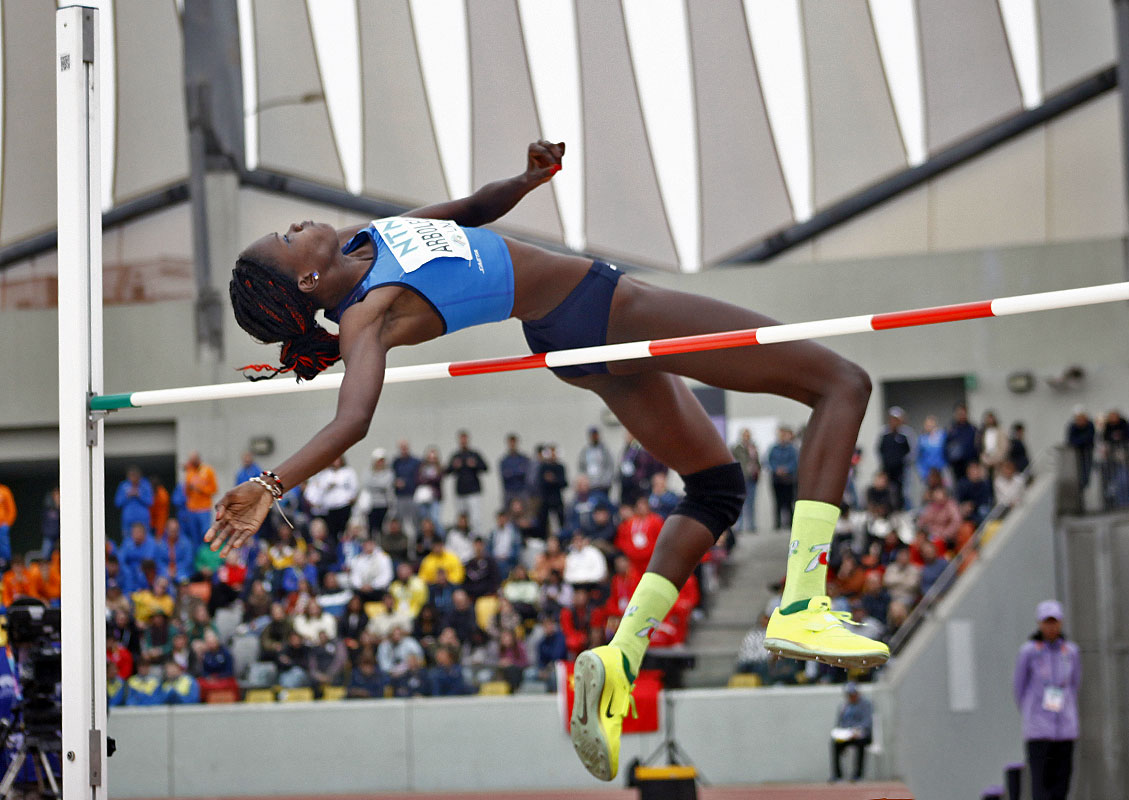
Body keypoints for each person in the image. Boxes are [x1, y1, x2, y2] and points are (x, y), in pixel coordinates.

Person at [206, 139, 885, 782]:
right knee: (842, 382)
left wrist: (527, 182)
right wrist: (272, 484)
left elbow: (471, 212)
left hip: (569, 335)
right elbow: (353, 420)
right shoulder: (366, 315)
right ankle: (803, 601)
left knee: (715, 489)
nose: (297, 224)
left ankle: (621, 659)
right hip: (604, 306)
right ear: (308, 276)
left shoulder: (371, 238)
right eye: (290, 238)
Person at [1014, 600, 1080, 800]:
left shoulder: (1070, 652)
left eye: (1054, 622)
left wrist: (1066, 709)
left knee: (1061, 785)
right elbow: (1019, 686)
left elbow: (1075, 683)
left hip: (1064, 728)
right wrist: (1031, 711)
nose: (1051, 627)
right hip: (1039, 729)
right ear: (1039, 624)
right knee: (1041, 787)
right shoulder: (1030, 652)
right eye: (1047, 622)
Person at [830, 682, 873, 782]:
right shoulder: (844, 706)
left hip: (861, 735)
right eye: (849, 695)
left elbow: (867, 721)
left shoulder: (866, 704)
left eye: (853, 694)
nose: (851, 697)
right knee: (835, 744)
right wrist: (842, 733)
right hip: (847, 735)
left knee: (860, 744)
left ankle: (858, 774)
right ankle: (837, 775)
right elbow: (840, 722)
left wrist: (856, 731)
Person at [446, 430, 488, 528]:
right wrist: (454, 466)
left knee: (475, 517)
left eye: (465, 439)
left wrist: (475, 464)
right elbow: (447, 471)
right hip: (460, 492)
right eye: (461, 440)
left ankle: (477, 539)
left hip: (474, 491)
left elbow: (485, 468)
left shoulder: (474, 454)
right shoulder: (456, 455)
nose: (463, 442)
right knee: (462, 517)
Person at [180, 451, 218, 547]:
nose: (191, 463)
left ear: (198, 460)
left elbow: (214, 489)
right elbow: (186, 492)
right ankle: (198, 559)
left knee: (205, 533)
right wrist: (189, 488)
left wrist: (201, 489)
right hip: (192, 509)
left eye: (193, 460)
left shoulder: (208, 470)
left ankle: (207, 555)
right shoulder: (190, 472)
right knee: (194, 536)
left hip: (204, 508)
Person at [766, 426, 799, 529]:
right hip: (776, 479)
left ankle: (790, 523)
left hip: (788, 480)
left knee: (789, 502)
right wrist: (776, 469)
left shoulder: (792, 449)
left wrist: (786, 469)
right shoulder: (773, 448)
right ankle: (778, 523)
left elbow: (795, 462)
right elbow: (769, 461)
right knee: (777, 502)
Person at [730, 429, 760, 533]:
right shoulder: (737, 448)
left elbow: (757, 462)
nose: (747, 438)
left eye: (748, 436)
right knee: (740, 503)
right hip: (741, 478)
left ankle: (751, 525)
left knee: (751, 503)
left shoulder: (753, 448)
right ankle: (739, 525)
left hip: (752, 478)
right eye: (745, 436)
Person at [391, 439, 422, 537]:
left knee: (415, 520)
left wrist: (408, 483)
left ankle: (416, 539)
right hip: (400, 496)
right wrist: (396, 482)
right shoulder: (396, 462)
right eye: (402, 448)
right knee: (400, 520)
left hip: (412, 495)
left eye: (405, 447)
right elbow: (392, 476)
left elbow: (419, 477)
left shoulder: (415, 461)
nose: (404, 450)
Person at [536, 444, 568, 537]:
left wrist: (553, 480)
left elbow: (564, 483)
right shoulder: (543, 467)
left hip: (557, 498)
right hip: (546, 498)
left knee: (561, 520)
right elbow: (540, 483)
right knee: (543, 521)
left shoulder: (560, 467)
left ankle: (562, 538)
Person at [362, 448, 394, 537]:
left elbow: (386, 484)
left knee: (382, 528)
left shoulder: (389, 473)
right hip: (371, 505)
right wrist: (380, 486)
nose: (380, 463)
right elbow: (367, 483)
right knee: (371, 528)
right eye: (378, 461)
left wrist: (376, 484)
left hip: (383, 504)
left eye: (382, 461)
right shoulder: (368, 472)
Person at [115, 465, 154, 537]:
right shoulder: (123, 485)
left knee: (145, 539)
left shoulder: (145, 485)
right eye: (131, 476)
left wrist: (139, 495)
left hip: (143, 520)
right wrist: (127, 496)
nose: (133, 478)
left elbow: (150, 502)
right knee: (128, 541)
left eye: (135, 476)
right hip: (128, 520)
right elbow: (117, 503)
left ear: (139, 476)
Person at [578, 426, 615, 501]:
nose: (594, 437)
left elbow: (610, 466)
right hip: (590, 485)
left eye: (595, 435)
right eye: (592, 435)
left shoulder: (604, 450)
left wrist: (606, 481)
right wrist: (584, 481)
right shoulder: (586, 451)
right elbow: (581, 466)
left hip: (603, 485)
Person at [499, 433, 533, 506]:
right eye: (510, 443)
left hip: (522, 490)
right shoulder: (504, 461)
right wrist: (518, 471)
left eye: (514, 442)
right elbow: (505, 475)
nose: (512, 445)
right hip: (509, 491)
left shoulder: (524, 459)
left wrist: (512, 472)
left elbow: (526, 473)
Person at [0, 481, 13, 570]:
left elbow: (11, 509)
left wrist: (7, 523)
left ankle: (6, 566)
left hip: (2, 525)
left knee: (4, 548)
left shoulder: (4, 490)